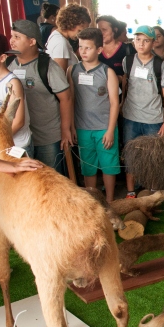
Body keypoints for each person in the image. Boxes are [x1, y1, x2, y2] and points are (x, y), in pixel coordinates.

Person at [8, 20, 73, 174]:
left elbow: (66, 98)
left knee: (51, 179)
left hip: (47, 136)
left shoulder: (48, 66)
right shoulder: (9, 63)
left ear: (32, 41)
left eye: (17, 37)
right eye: (11, 36)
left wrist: (65, 130)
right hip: (21, 137)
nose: (12, 41)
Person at [69, 27, 120, 203]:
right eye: (80, 47)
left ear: (99, 50)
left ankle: (111, 202)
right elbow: (71, 100)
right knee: (88, 167)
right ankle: (92, 201)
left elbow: (115, 103)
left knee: (109, 166)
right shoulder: (73, 70)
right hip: (82, 128)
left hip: (104, 128)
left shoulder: (107, 72)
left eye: (88, 47)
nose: (83, 51)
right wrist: (72, 127)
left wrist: (110, 130)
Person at [121, 25, 164, 198]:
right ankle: (130, 191)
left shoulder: (160, 65)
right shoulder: (127, 61)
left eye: (146, 40)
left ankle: (152, 192)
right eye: (138, 39)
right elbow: (125, 85)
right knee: (130, 155)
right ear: (133, 41)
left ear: (153, 42)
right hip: (130, 117)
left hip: (154, 118)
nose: (141, 44)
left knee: (153, 157)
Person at [46, 3, 91, 71]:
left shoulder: (57, 37)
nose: (80, 35)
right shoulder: (60, 42)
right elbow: (60, 77)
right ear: (71, 24)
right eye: (79, 30)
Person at [97, 15, 130, 80]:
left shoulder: (127, 49)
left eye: (104, 30)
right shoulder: (94, 49)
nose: (101, 33)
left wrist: (121, 78)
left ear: (115, 30)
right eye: (99, 30)